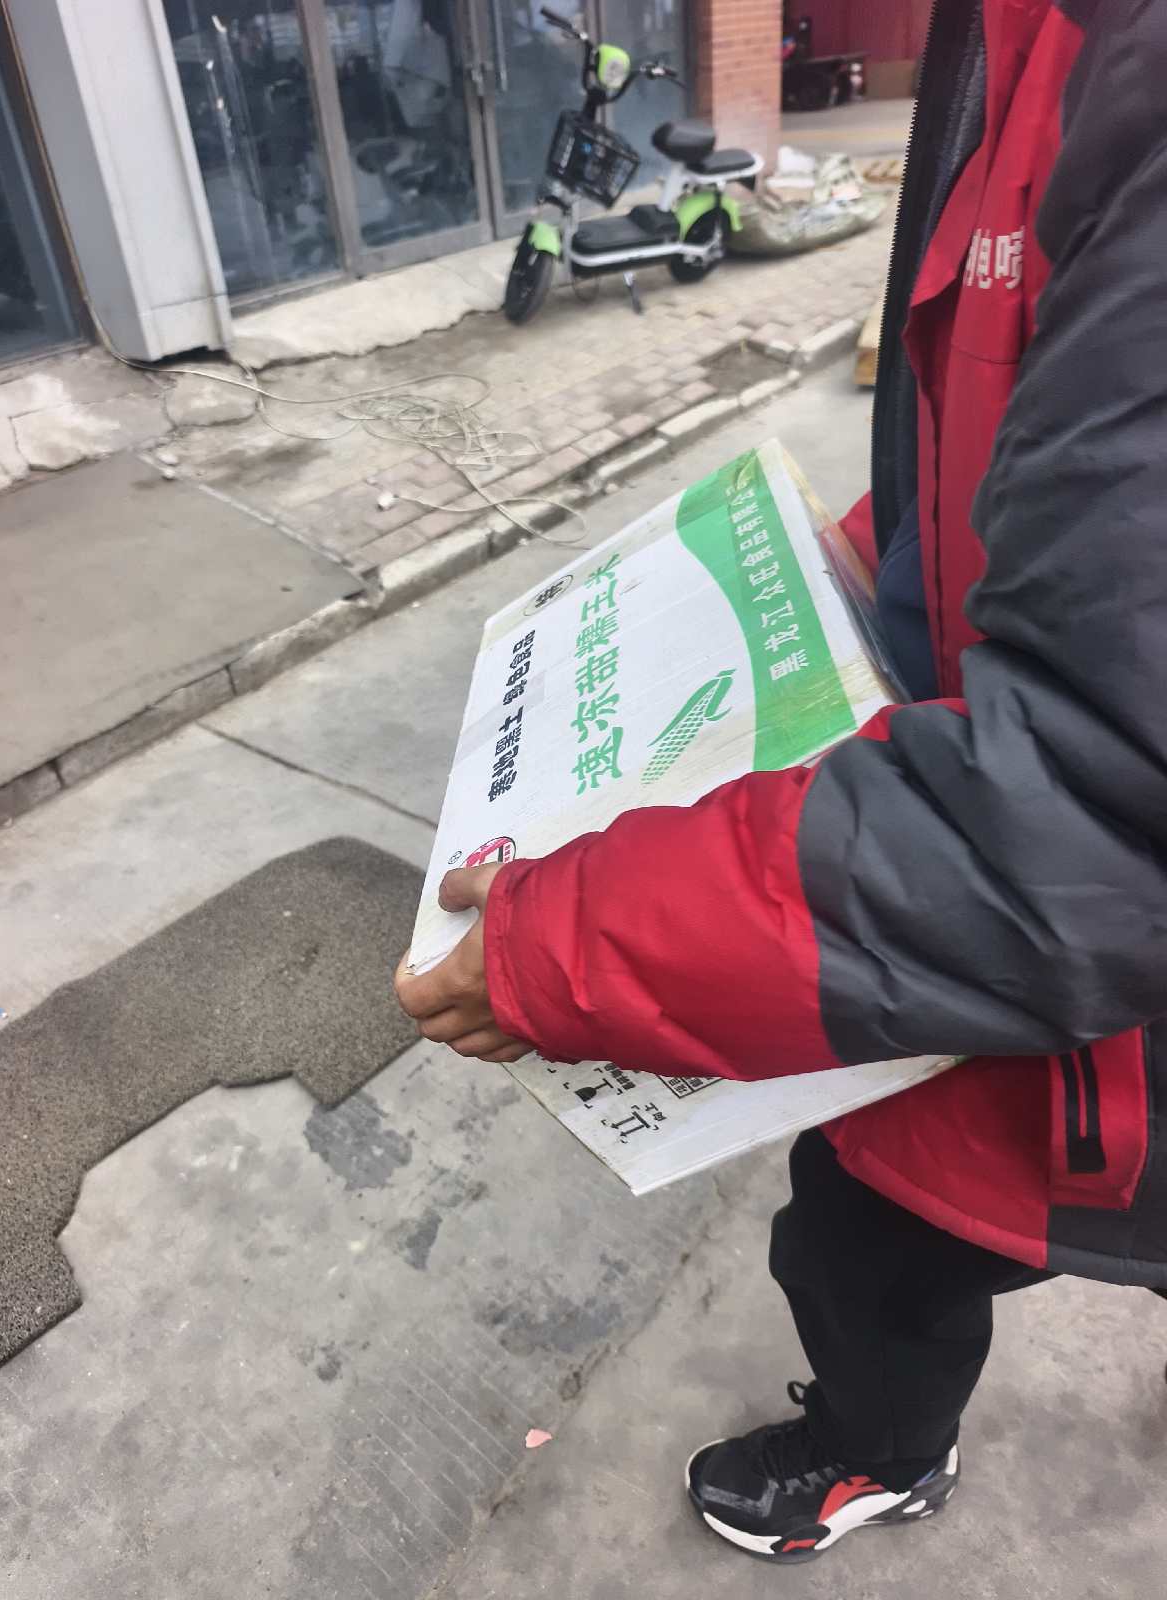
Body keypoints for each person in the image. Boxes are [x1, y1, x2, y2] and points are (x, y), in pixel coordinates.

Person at [397, 0, 1167, 1567]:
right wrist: (861, 573)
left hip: (1084, 1017)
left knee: (867, 1248)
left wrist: (559, 944)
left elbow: (1092, 803)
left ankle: (881, 1457)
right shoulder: (1034, 34)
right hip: (1044, 960)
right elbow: (1037, 470)